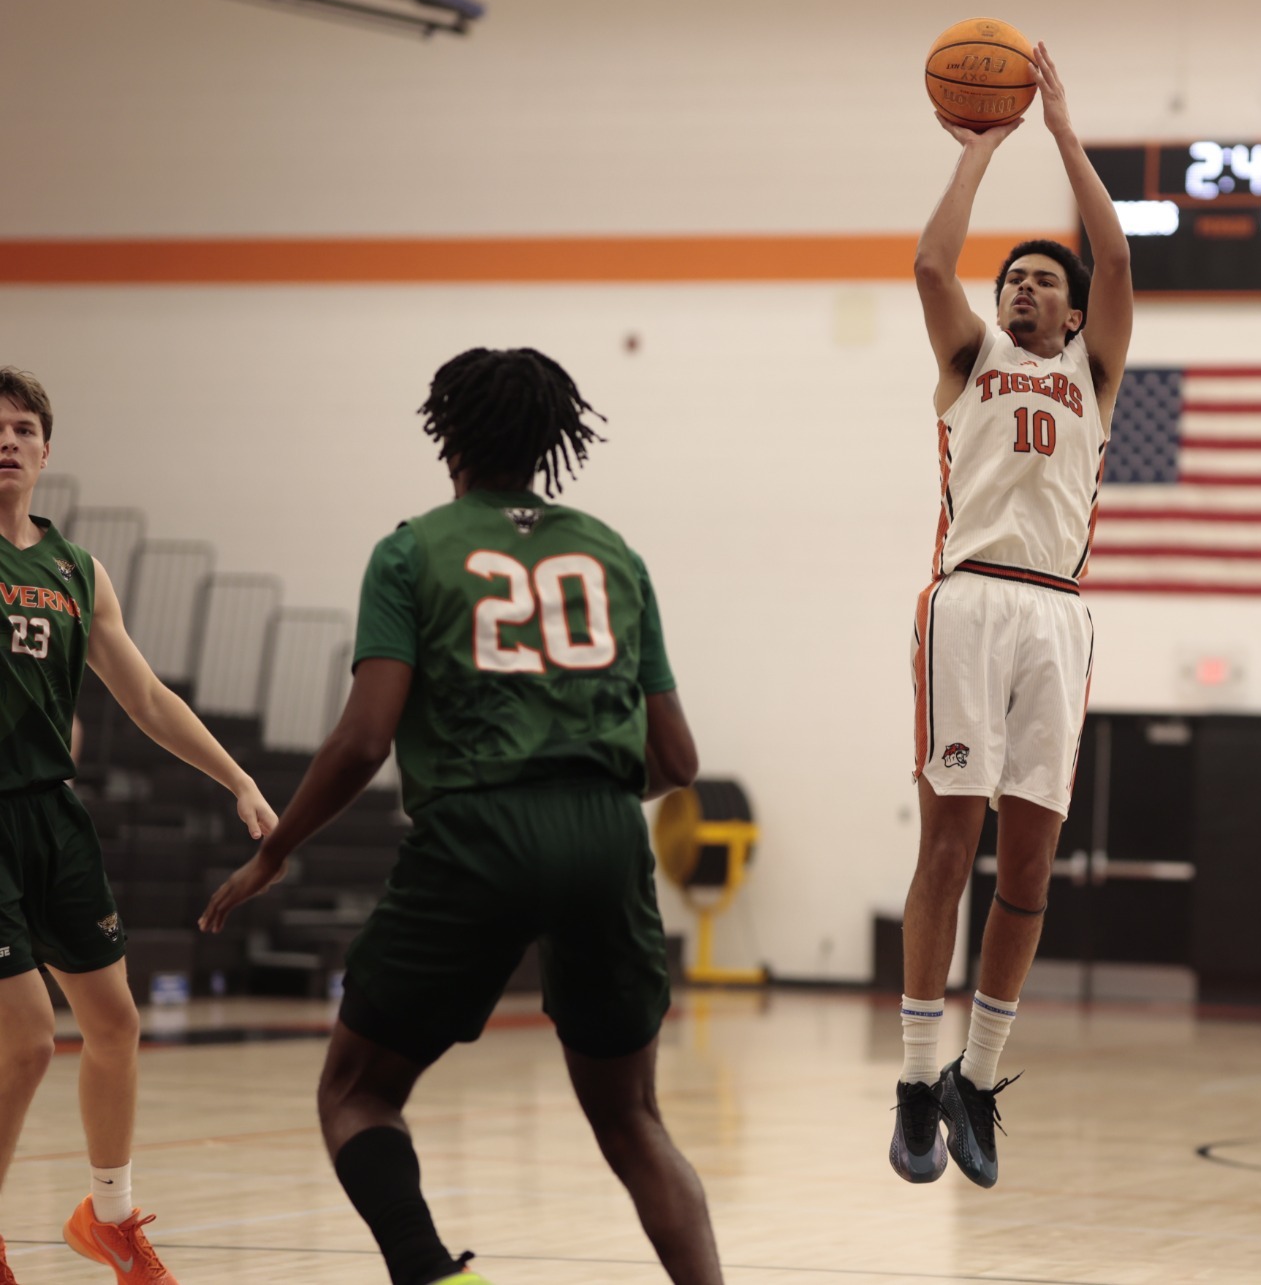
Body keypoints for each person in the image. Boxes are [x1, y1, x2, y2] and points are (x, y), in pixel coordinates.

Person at [200, 348, 724, 1285]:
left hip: (479, 831)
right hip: (608, 833)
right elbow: (678, 760)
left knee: (356, 1092)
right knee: (634, 1120)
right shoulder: (612, 552)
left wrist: (272, 851)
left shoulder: (411, 550)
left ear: (449, 439)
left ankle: (431, 1273)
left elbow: (364, 742)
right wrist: (584, 786)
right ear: (550, 443)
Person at [893, 42, 1134, 1190]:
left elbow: (1120, 257)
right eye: (1014, 281)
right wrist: (982, 151)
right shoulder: (970, 355)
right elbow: (929, 260)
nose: (1021, 288)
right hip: (972, 601)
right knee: (950, 843)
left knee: (1030, 868)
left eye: (1043, 280)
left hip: (1058, 618)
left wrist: (1066, 140)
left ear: (1075, 309)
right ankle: (909, 1078)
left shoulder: (1092, 373)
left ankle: (974, 1082)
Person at [0, 365, 279, 1285]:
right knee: (29, 1037)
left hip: (51, 813)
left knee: (114, 1023)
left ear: (47, 450)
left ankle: (109, 1219)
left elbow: (150, 697)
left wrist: (237, 778)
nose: (6, 441)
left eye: (22, 429)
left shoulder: (78, 571)